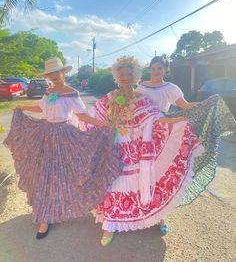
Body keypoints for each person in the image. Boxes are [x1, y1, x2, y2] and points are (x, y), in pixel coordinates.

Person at [88, 56, 204, 246]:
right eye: (122, 74)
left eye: (129, 74)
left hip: (138, 145)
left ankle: (154, 216)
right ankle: (110, 223)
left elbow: (156, 117)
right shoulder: (110, 96)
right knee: (114, 182)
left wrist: (178, 120)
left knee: (148, 179)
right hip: (115, 146)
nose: (125, 77)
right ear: (117, 76)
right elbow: (96, 115)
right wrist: (78, 120)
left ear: (135, 76)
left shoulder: (141, 97)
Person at [4, 57, 121, 240]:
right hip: (45, 135)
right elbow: (42, 110)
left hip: (65, 137)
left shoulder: (72, 93)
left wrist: (104, 124)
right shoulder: (49, 91)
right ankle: (45, 217)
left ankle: (59, 208)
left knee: (65, 176)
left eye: (56, 73)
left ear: (63, 73)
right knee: (45, 175)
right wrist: (22, 106)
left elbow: (83, 117)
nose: (53, 77)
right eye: (50, 74)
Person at [137, 55, 236, 206]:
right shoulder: (142, 86)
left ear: (166, 71)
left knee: (159, 170)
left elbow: (186, 106)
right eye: (153, 68)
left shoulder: (171, 88)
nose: (156, 72)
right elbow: (134, 105)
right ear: (149, 69)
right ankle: (139, 203)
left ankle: (157, 209)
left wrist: (206, 104)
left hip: (162, 132)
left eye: (160, 69)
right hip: (141, 131)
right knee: (138, 169)